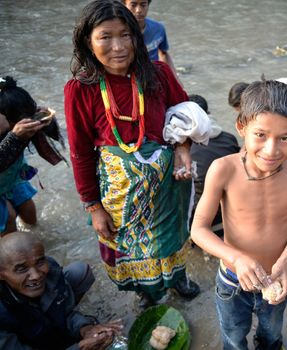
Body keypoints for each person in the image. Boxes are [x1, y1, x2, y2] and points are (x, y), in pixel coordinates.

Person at [64, 0, 199, 309]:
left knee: (173, 237)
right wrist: (94, 207)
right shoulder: (80, 89)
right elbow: (81, 154)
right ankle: (147, 292)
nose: (119, 46)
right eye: (106, 37)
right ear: (88, 41)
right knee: (133, 249)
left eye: (126, 35)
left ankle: (178, 279)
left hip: (168, 185)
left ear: (137, 37)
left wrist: (182, 150)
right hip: (121, 195)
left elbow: (185, 117)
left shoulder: (159, 73)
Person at [191, 80, 287, 349]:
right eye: (261, 135)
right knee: (234, 337)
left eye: (285, 138)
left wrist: (283, 262)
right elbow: (198, 228)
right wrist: (235, 257)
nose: (271, 150)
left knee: (271, 335)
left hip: (278, 277)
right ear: (241, 127)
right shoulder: (223, 169)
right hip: (233, 280)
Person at [0, 231, 123, 350]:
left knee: (80, 271)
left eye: (39, 262)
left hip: (40, 326)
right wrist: (79, 348)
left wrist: (85, 328)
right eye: (21, 269)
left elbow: (65, 312)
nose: (36, 275)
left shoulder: (51, 269)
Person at [0, 77, 61, 234]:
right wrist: (13, 137)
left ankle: (33, 239)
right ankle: (10, 250)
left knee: (29, 212)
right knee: (8, 219)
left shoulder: (21, 125)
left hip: (11, 179)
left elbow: (53, 137)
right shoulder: (14, 132)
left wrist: (47, 121)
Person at [188, 94, 240, 236]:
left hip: (196, 220)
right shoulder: (229, 139)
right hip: (229, 214)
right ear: (208, 113)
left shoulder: (180, 148)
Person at [121, 0, 182, 84]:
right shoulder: (119, 32)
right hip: (129, 78)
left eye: (143, 5)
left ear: (148, 5)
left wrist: (174, 78)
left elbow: (163, 53)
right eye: (133, 5)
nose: (138, 10)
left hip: (153, 76)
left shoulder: (158, 29)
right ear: (124, 5)